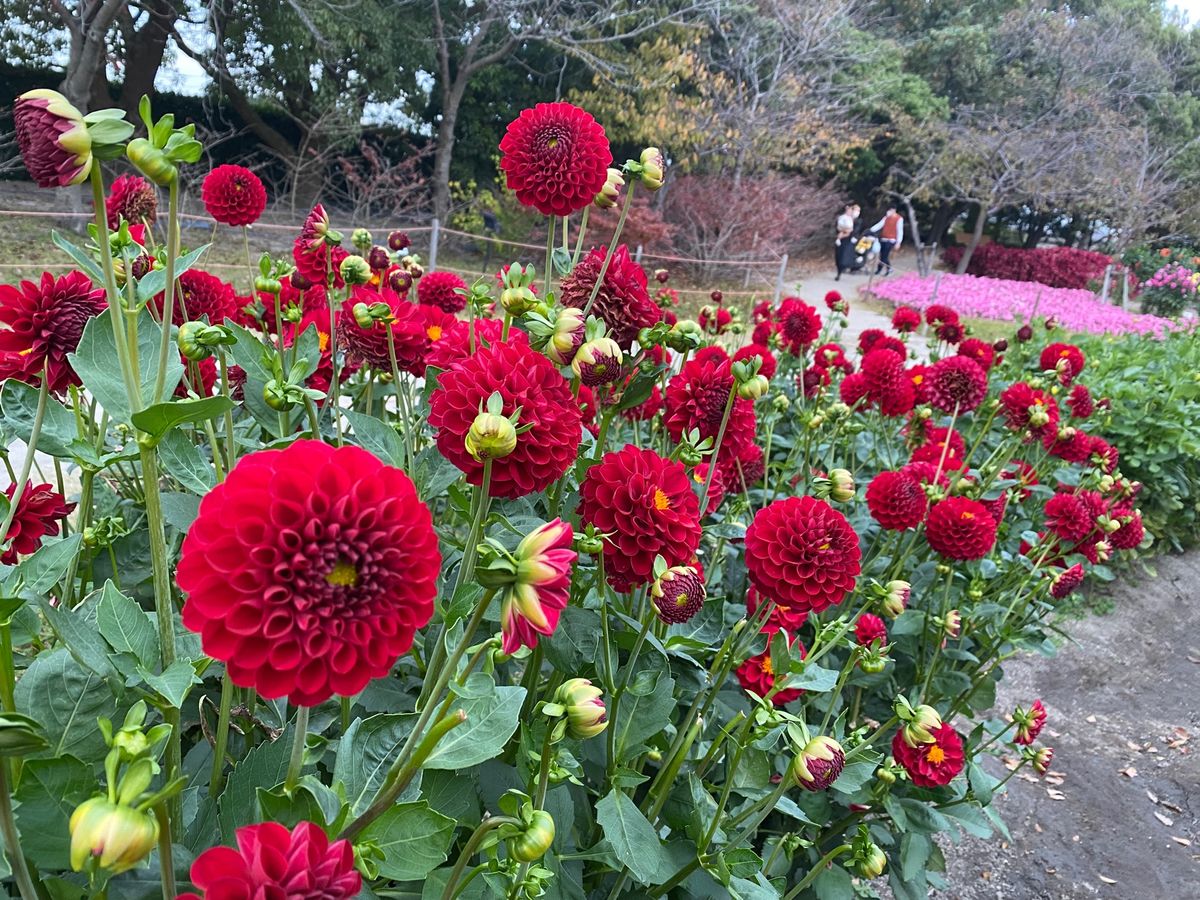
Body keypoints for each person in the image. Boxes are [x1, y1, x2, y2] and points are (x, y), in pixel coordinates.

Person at [870, 206, 904, 275]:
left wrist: (898, 242)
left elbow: (899, 230)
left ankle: (884, 269)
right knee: (882, 255)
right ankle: (884, 269)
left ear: (894, 210)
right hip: (884, 238)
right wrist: (870, 230)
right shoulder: (886, 217)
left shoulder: (899, 219)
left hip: (891, 239)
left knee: (884, 255)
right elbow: (879, 225)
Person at [834, 203, 861, 280]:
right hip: (841, 238)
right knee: (839, 255)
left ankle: (845, 267)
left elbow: (855, 230)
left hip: (849, 240)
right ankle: (839, 269)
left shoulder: (857, 220)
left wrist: (853, 235)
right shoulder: (842, 218)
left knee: (845, 255)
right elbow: (837, 227)